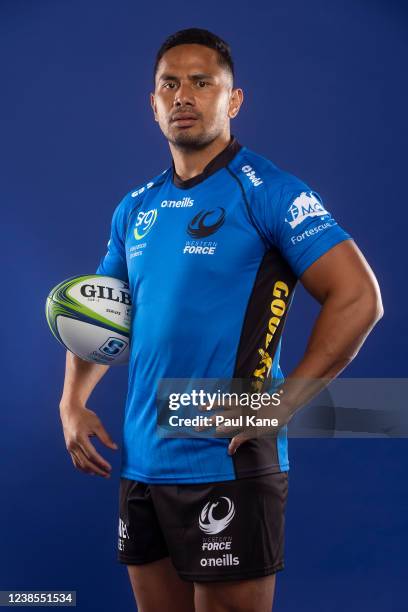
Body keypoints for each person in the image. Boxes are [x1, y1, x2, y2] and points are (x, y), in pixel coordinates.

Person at [59, 28, 383, 612]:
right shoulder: (135, 207)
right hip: (141, 461)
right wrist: (71, 400)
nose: (183, 95)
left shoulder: (269, 192)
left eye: (201, 82)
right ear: (153, 104)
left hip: (226, 457)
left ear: (233, 101)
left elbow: (359, 298)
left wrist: (283, 403)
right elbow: (99, 309)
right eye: (169, 84)